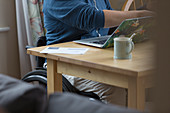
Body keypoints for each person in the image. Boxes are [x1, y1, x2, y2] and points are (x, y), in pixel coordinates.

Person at [43, 0, 153, 106]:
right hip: (64, 63)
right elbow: (92, 18)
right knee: (113, 88)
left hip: (96, 58)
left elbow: (113, 24)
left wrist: (146, 9)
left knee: (137, 82)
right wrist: (140, 14)